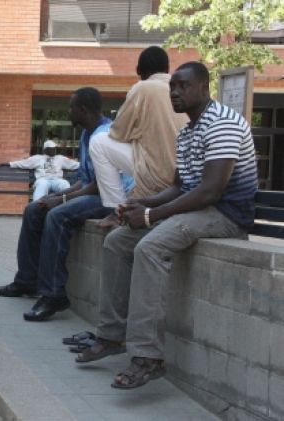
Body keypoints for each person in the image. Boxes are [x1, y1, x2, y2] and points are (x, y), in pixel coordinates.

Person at [76, 62, 257, 389]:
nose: (174, 92)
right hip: (197, 208)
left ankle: (148, 357)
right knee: (118, 241)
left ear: (204, 88)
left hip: (226, 214)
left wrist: (150, 217)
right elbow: (179, 186)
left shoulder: (222, 124)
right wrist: (144, 203)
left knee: (150, 246)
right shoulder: (187, 131)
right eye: (173, 86)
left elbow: (210, 191)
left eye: (183, 86)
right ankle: (112, 334)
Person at [0, 88, 133, 322]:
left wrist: (61, 199)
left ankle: (53, 294)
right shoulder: (86, 134)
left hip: (113, 199)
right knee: (34, 209)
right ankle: (27, 280)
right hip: (97, 191)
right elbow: (85, 180)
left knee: (57, 216)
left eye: (71, 107)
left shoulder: (105, 134)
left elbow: (101, 185)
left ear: (83, 110)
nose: (68, 111)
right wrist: (53, 198)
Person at [88, 46, 189, 227]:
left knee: (98, 142)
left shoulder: (142, 88)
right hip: (185, 177)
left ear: (138, 71)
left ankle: (116, 209)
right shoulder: (183, 90)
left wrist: (136, 133)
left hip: (158, 174)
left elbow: (118, 132)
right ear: (167, 68)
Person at [0, 140, 80, 201]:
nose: (53, 150)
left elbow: (75, 165)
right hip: (43, 179)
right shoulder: (38, 158)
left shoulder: (60, 158)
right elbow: (23, 163)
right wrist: (8, 164)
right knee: (42, 185)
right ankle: (37, 206)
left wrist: (90, 165)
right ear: (45, 150)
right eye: (50, 148)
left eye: (54, 148)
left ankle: (67, 205)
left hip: (57, 180)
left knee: (65, 184)